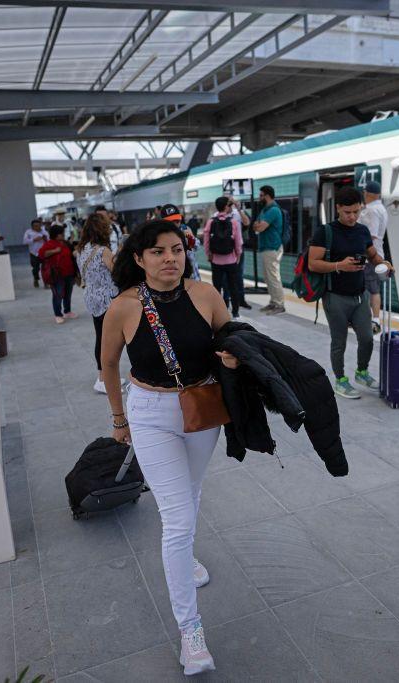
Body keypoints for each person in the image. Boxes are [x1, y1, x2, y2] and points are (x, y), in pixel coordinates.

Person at [100, 219, 239, 677]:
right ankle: (190, 631)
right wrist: (119, 419)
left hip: (201, 408)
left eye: (176, 249)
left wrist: (232, 356)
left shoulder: (206, 295)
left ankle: (188, 559)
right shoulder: (123, 307)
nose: (169, 259)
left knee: (191, 492)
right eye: (157, 252)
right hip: (151, 413)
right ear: (138, 259)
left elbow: (233, 340)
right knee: (176, 519)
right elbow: (108, 363)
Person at [307, 186, 394, 399]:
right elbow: (313, 264)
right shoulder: (325, 231)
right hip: (335, 296)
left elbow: (372, 255)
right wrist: (339, 266)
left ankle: (361, 372)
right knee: (340, 341)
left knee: (367, 338)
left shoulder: (362, 230)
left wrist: (384, 264)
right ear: (338, 208)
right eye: (348, 212)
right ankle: (340, 380)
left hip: (359, 295)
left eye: (356, 211)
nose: (352, 216)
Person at [75, 213, 121, 393]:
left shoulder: (82, 249)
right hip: (107, 300)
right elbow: (116, 273)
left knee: (101, 337)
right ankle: (104, 379)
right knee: (111, 340)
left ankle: (104, 377)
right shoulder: (103, 251)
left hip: (91, 298)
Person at [202, 196, 244, 320]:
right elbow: (238, 242)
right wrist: (238, 255)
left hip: (216, 260)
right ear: (226, 207)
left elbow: (206, 241)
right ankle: (235, 312)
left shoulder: (211, 221)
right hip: (231, 260)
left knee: (217, 287)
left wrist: (209, 254)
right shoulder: (233, 222)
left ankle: (218, 313)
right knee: (233, 286)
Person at [358, 181, 389, 333]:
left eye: (365, 192)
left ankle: (373, 321)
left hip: (370, 255)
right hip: (376, 253)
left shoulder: (371, 210)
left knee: (370, 288)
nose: (363, 195)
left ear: (369, 193)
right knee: (373, 288)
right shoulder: (381, 208)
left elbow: (371, 235)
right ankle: (373, 319)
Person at [253, 185, 285, 314]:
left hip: (272, 247)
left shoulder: (273, 210)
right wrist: (258, 225)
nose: (259, 198)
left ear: (267, 195)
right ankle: (273, 302)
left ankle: (279, 304)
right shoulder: (265, 210)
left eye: (261, 195)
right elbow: (255, 225)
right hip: (266, 247)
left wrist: (258, 226)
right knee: (268, 277)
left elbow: (259, 228)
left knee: (273, 277)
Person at [38, 225, 77, 323]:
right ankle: (58, 314)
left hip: (69, 273)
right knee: (58, 294)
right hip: (57, 275)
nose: (63, 235)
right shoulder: (49, 244)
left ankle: (67, 311)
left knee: (68, 294)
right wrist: (54, 251)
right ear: (56, 235)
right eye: (61, 233)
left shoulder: (65, 243)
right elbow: (41, 254)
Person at [160, 204, 201, 281]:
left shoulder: (185, 228)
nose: (175, 224)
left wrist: (190, 238)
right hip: (175, 277)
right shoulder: (161, 235)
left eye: (177, 221)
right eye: (171, 222)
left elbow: (195, 247)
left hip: (193, 275)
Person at [23, 219, 49, 288]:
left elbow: (49, 241)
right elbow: (25, 241)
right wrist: (34, 240)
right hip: (33, 253)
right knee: (35, 268)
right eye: (35, 226)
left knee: (45, 268)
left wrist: (45, 239)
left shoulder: (44, 232)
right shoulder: (28, 232)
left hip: (43, 253)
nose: (37, 227)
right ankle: (36, 279)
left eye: (38, 226)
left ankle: (46, 283)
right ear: (32, 226)